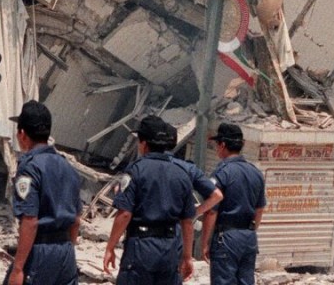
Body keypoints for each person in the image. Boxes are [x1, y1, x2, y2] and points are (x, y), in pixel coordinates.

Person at [104, 116, 195, 285]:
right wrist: (187, 256)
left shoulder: (136, 170)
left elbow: (124, 214)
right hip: (170, 249)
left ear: (143, 143)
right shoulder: (181, 174)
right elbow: (187, 222)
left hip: (141, 248)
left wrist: (110, 247)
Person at [6, 100, 82, 285]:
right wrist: (66, 252)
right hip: (65, 252)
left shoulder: (29, 169)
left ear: (22, 134)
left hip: (40, 252)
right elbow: (76, 220)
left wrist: (17, 269)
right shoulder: (68, 167)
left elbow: (30, 221)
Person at [200, 123, 265, 285]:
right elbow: (260, 208)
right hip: (249, 237)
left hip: (227, 238)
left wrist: (204, 243)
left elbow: (212, 211)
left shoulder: (222, 173)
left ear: (222, 145)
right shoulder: (255, 172)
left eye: (217, 145)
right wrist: (250, 231)